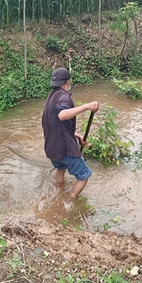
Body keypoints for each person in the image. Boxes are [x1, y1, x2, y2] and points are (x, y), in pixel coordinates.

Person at [42, 68, 99, 200]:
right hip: (64, 148)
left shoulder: (51, 96)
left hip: (51, 148)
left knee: (60, 169)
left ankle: (59, 193)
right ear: (68, 81)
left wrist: (76, 135)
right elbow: (62, 116)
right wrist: (86, 106)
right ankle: (69, 201)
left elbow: (54, 124)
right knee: (84, 175)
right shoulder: (63, 96)